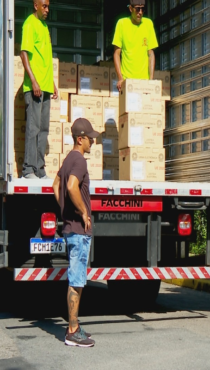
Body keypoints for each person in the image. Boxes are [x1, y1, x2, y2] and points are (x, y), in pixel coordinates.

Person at [52, 118, 100, 347]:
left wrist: (64, 208)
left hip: (71, 229)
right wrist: (82, 212)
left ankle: (75, 325)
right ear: (79, 139)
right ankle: (72, 331)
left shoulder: (68, 159)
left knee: (76, 277)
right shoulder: (79, 160)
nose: (92, 141)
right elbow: (70, 186)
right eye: (89, 138)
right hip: (79, 231)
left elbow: (56, 184)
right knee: (77, 279)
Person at [20, 0, 58, 179]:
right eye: (44, 6)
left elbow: (45, 59)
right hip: (34, 86)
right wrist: (34, 81)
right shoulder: (30, 23)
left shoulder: (44, 26)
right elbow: (24, 53)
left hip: (46, 86)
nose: (47, 10)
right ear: (36, 5)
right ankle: (28, 169)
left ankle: (40, 169)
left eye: (48, 6)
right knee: (33, 128)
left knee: (43, 129)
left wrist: (52, 83)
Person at [112, 0, 158, 92]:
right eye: (137, 9)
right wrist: (120, 78)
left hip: (144, 81)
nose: (140, 12)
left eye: (143, 9)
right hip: (127, 81)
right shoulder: (122, 24)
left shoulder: (148, 24)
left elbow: (151, 53)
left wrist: (151, 79)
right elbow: (116, 54)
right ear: (130, 8)